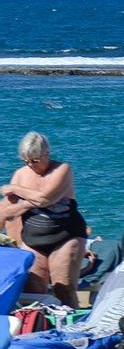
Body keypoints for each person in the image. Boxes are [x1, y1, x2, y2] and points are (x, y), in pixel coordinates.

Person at [0, 131, 89, 305]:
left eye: (35, 160)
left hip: (65, 236)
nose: (31, 165)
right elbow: (6, 210)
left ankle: (71, 325)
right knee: (32, 292)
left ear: (46, 154)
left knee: (62, 288)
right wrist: (25, 204)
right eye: (26, 161)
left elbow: (44, 198)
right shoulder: (20, 174)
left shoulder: (62, 170)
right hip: (34, 239)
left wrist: (16, 189)